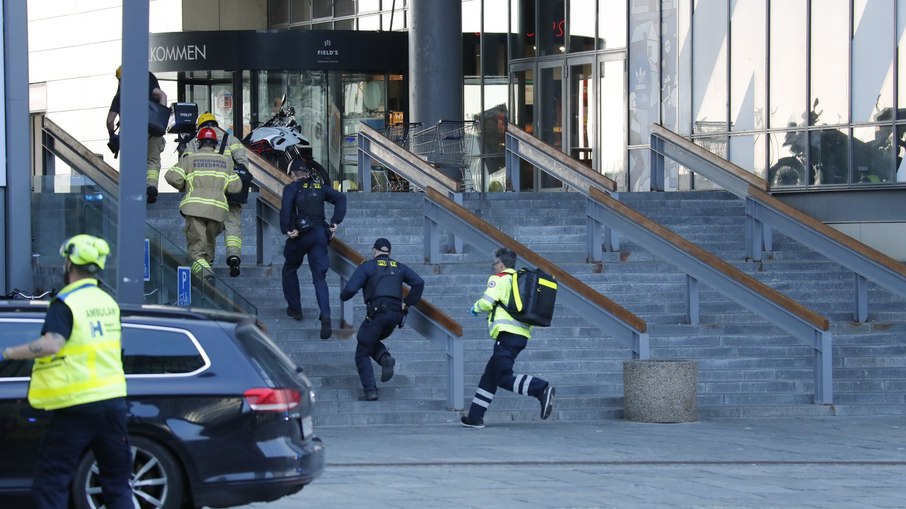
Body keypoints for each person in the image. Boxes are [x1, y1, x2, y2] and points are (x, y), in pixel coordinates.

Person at [0, 235, 132, 508]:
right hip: (113, 403)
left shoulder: (66, 302)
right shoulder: (107, 301)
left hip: (76, 406)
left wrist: (8, 353)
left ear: (69, 263)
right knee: (117, 484)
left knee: (53, 481)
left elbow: (52, 344)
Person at [460, 247, 555, 429]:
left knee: (503, 377)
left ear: (501, 264)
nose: (493, 267)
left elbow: (487, 302)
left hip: (506, 335)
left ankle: (541, 389)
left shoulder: (500, 279)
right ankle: (475, 417)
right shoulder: (519, 280)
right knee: (490, 376)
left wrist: (476, 307)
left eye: (494, 264)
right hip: (520, 335)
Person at [340, 238, 425, 401]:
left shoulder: (368, 266)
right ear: (389, 253)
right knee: (367, 339)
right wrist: (407, 303)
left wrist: (343, 296)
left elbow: (350, 289)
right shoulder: (398, 267)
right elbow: (419, 282)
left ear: (374, 251)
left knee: (361, 352)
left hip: (378, 313)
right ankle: (384, 358)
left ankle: (371, 390)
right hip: (395, 316)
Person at [280, 158, 347, 339]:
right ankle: (325, 314)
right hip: (320, 235)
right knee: (319, 278)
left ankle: (295, 309)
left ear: (293, 175)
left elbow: (286, 209)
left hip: (301, 235)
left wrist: (287, 229)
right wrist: (335, 222)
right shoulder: (320, 187)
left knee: (289, 268)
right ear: (308, 174)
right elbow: (341, 197)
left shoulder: (292, 188)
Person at [181, 112, 253, 277]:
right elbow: (243, 164)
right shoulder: (232, 139)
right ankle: (234, 256)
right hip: (231, 190)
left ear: (200, 127)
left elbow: (185, 164)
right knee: (233, 225)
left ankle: (207, 262)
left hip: (207, 193)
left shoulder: (194, 142)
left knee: (204, 230)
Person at [165, 127, 241, 278]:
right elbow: (236, 187)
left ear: (199, 142)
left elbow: (172, 177)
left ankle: (206, 277)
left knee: (196, 249)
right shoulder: (226, 162)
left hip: (194, 209)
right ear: (215, 144)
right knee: (208, 244)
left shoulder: (190, 159)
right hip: (217, 211)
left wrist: (183, 184)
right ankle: (208, 273)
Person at [106, 66, 168, 204]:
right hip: (153, 130)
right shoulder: (149, 82)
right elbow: (162, 95)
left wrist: (112, 135)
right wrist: (159, 117)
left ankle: (133, 194)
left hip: (131, 133)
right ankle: (151, 186)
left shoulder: (121, 94)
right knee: (152, 161)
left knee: (132, 163)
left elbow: (110, 120)